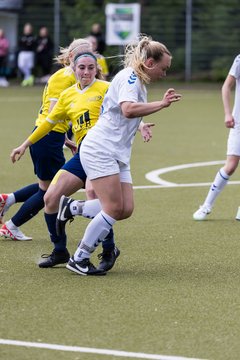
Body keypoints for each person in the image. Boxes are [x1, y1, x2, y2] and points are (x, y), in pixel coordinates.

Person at [55, 35, 182, 276]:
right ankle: (80, 258)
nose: (164, 74)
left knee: (125, 209)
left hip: (117, 152)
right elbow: (127, 109)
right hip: (101, 148)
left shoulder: (137, 81)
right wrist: (161, 104)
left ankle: (73, 208)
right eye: (163, 69)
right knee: (112, 208)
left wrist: (143, 122)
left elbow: (127, 110)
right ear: (150, 64)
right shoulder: (131, 77)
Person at [9, 49, 124, 272]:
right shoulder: (68, 94)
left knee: (95, 195)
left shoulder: (106, 88)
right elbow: (49, 123)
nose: (86, 72)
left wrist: (140, 125)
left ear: (97, 70)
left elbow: (125, 110)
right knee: (51, 197)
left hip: (103, 153)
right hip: (83, 155)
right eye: (82, 67)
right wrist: (25, 145)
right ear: (74, 68)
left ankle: (109, 249)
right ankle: (60, 251)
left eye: (91, 68)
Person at [0, 38, 92, 241]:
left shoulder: (70, 76)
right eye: (82, 56)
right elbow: (53, 113)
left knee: (48, 186)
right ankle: (12, 225)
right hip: (47, 138)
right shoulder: (63, 77)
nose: (86, 60)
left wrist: (65, 140)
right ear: (71, 57)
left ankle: (8, 200)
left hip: (51, 138)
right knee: (51, 190)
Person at [193, 54, 240, 221]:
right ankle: (206, 206)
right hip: (238, 124)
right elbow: (226, 86)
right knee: (231, 166)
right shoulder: (239, 59)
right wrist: (228, 113)